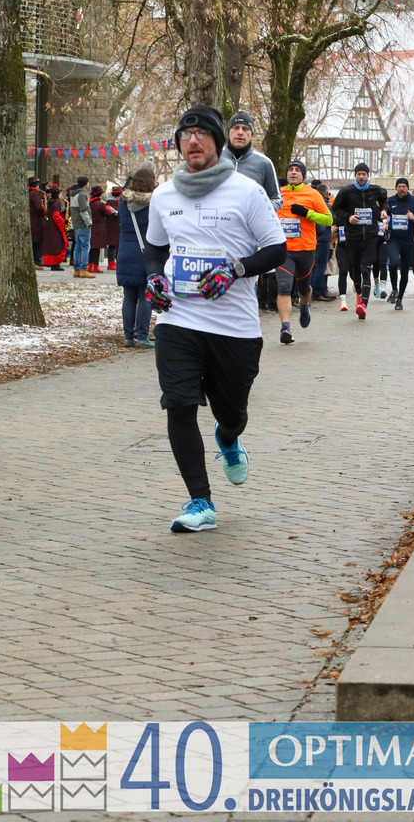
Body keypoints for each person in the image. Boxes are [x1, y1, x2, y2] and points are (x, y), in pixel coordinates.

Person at [143, 104, 286, 533]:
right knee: (179, 405)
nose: (193, 140)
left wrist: (236, 268)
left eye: (202, 133)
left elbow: (276, 248)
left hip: (233, 327)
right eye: (185, 134)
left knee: (232, 413)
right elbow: (154, 248)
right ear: (178, 145)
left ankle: (228, 438)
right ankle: (200, 501)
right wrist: (153, 278)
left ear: (217, 142)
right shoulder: (164, 195)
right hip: (178, 318)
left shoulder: (245, 191)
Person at [220, 111, 282, 312]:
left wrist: (253, 212)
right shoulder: (214, 158)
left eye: (245, 129)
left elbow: (277, 199)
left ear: (252, 134)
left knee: (243, 288)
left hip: (248, 240)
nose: (240, 132)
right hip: (216, 235)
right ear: (228, 132)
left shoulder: (263, 163)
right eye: (235, 128)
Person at [274, 160, 332, 342]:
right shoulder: (278, 193)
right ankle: (285, 328)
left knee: (304, 288)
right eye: (290, 169)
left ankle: (304, 306)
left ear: (303, 175)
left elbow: (329, 219)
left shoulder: (312, 194)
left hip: (306, 248)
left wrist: (306, 213)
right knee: (283, 286)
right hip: (284, 250)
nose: (293, 172)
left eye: (297, 170)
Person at [331, 162, 388, 320]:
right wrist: (348, 218)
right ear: (355, 175)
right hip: (352, 237)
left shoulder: (376, 190)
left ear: (368, 175)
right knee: (355, 271)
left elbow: (385, 201)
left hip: (370, 236)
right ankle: (359, 292)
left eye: (364, 174)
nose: (361, 177)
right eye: (359, 174)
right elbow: (336, 210)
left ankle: (363, 304)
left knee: (366, 269)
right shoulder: (346, 192)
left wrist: (384, 211)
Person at [116, 164, 157, 348]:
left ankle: (128, 336)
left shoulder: (123, 203)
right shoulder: (153, 204)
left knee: (129, 297)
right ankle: (142, 335)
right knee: (145, 296)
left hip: (124, 253)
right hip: (145, 254)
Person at [385, 178, 414, 310]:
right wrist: (384, 223)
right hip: (394, 239)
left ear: (408, 188)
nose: (402, 189)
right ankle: (394, 289)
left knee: (405, 271)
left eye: (404, 186)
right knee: (393, 263)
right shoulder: (390, 201)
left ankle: (399, 299)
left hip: (408, 240)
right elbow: (386, 216)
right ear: (396, 188)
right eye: (399, 186)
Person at [310, 181, 336, 301]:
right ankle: (317, 292)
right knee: (320, 266)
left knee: (317, 266)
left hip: (317, 238)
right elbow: (331, 218)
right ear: (326, 193)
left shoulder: (313, 202)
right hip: (323, 238)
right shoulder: (324, 204)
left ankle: (320, 290)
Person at [69, 176, 94, 278]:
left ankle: (77, 269)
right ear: (85, 184)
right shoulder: (81, 195)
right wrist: (89, 222)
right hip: (83, 224)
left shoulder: (73, 194)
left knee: (78, 247)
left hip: (76, 223)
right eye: (88, 182)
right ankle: (83, 268)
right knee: (85, 246)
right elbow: (83, 210)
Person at [88, 184, 115, 272]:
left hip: (91, 226)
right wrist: (109, 209)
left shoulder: (89, 203)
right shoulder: (100, 204)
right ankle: (95, 266)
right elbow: (107, 213)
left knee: (91, 248)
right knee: (97, 248)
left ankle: (89, 266)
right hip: (99, 227)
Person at [42, 185, 67, 271]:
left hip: (50, 226)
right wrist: (64, 222)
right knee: (58, 244)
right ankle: (56, 264)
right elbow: (56, 215)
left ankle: (52, 263)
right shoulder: (57, 203)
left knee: (52, 245)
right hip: (55, 227)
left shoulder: (51, 202)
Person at [28, 177, 45, 270]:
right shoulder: (34, 194)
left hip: (33, 220)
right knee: (36, 242)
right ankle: (36, 261)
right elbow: (39, 208)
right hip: (36, 221)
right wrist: (44, 211)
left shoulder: (30, 193)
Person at [105, 185, 122, 269]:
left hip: (113, 226)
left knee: (113, 245)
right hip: (114, 226)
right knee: (113, 245)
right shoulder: (113, 204)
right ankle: (111, 262)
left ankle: (112, 262)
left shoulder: (111, 203)